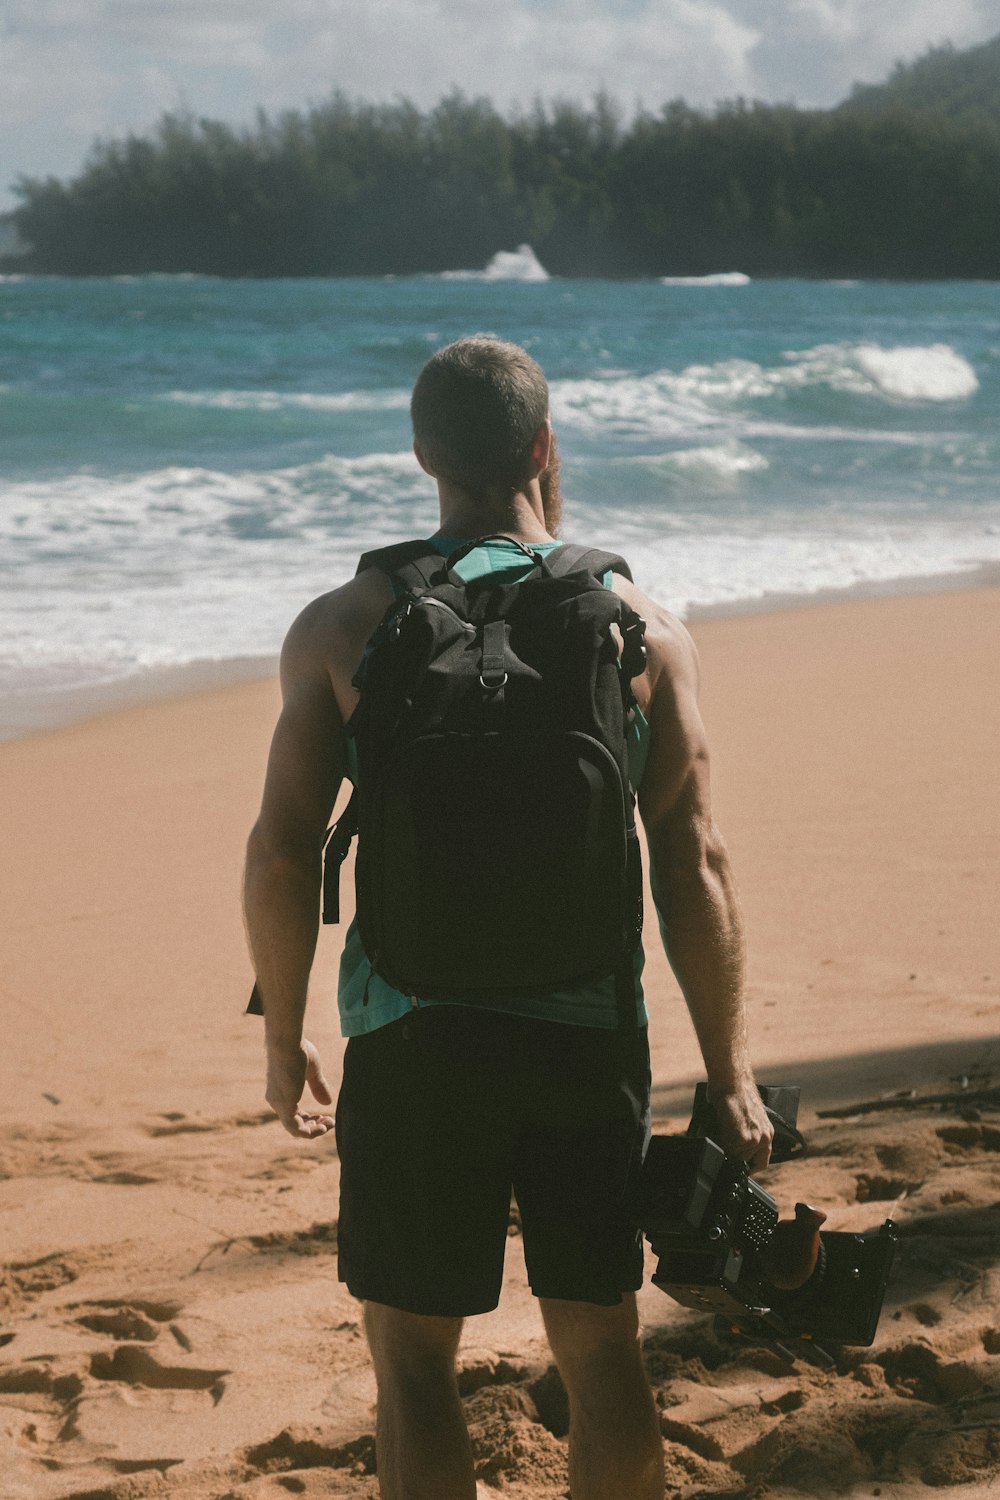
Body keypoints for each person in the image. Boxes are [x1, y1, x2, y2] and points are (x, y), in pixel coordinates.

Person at [243, 336, 774, 1500]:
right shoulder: (639, 628)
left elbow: (283, 853)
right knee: (598, 1345)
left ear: (423, 454)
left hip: (412, 1035)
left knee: (415, 1368)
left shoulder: (345, 625)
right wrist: (729, 1068)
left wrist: (286, 1041)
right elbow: (694, 853)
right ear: (543, 444)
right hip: (584, 1034)